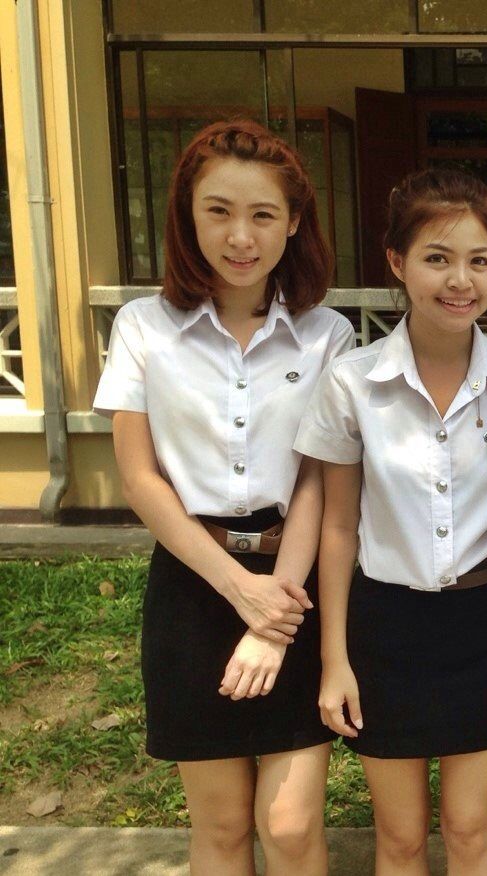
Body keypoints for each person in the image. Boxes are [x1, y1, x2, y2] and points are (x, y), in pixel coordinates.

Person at [94, 119, 353, 875]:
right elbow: (141, 479)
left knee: (293, 825)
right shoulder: (144, 328)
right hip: (193, 588)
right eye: (219, 211)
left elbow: (316, 480)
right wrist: (237, 589)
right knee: (221, 829)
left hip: (291, 586)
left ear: (294, 222)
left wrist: (273, 616)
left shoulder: (326, 335)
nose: (241, 236)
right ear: (187, 213)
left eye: (263, 214)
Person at [295, 167, 487, 876]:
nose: (459, 280)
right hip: (383, 631)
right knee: (399, 839)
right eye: (437, 258)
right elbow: (338, 530)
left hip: (483, 628)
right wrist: (335, 658)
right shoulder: (352, 383)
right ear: (398, 263)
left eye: (479, 260)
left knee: (469, 832)